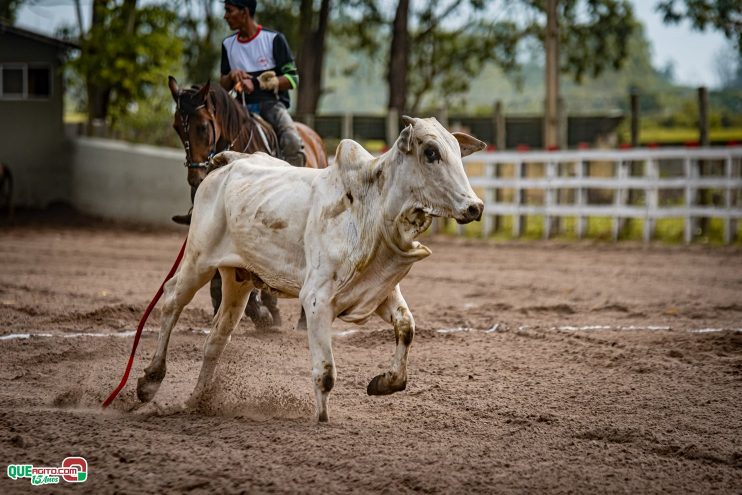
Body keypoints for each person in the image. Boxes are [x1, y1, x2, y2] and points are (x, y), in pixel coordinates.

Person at [220, 0, 305, 167]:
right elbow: (223, 85)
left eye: (229, 11)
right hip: (239, 110)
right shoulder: (227, 44)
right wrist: (231, 76)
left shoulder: (274, 39)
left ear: (244, 12)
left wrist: (257, 84)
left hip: (272, 106)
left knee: (292, 142)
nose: (225, 16)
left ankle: (295, 185)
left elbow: (293, 79)